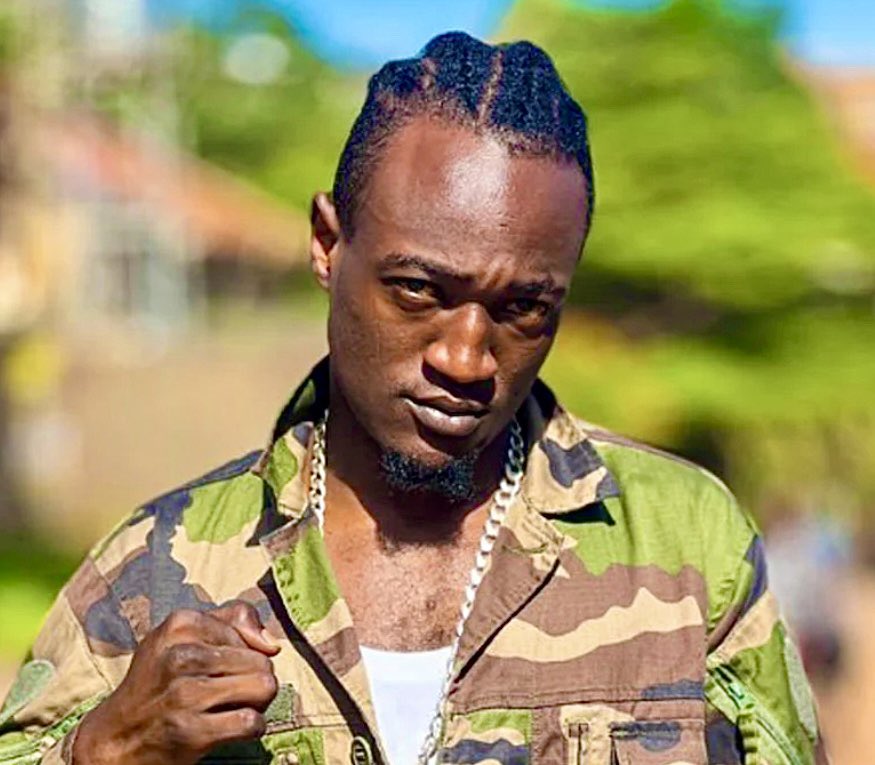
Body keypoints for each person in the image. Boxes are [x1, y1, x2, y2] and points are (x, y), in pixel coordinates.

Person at [0, 31, 826, 765]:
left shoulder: (688, 546)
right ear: (328, 245)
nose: (465, 358)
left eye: (522, 307)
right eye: (417, 289)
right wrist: (106, 749)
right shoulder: (150, 573)